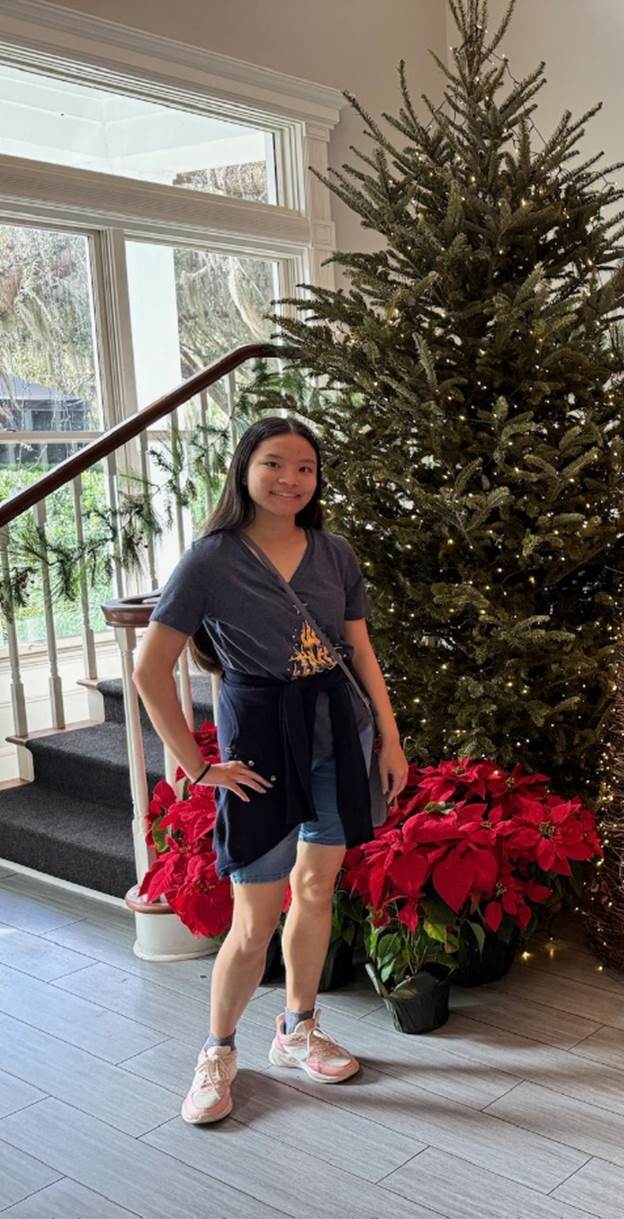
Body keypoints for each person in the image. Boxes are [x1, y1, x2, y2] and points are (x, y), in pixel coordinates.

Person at [134, 417, 408, 1126]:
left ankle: (296, 1028)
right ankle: (218, 1050)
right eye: (274, 463)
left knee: (316, 888)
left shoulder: (334, 552)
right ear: (243, 469)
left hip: (337, 730)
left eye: (306, 467)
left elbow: (360, 649)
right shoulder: (211, 559)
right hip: (257, 738)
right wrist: (197, 767)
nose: (290, 478)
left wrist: (389, 736)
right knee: (253, 919)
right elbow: (149, 667)